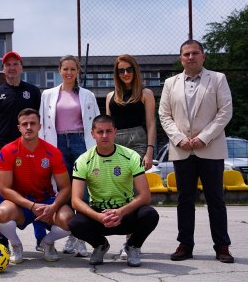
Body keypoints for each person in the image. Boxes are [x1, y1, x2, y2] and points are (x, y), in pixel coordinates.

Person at [158, 39, 234, 263]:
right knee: (184, 199)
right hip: (182, 149)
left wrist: (204, 137)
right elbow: (164, 115)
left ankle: (222, 246)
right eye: (186, 54)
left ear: (203, 56)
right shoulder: (170, 83)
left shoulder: (218, 79)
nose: (190, 57)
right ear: (181, 58)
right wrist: (179, 138)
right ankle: (185, 245)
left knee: (216, 199)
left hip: (210, 148)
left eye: (194, 53)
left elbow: (225, 111)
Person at [69, 115, 159, 267]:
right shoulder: (83, 160)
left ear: (115, 132)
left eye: (108, 131)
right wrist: (98, 216)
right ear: (92, 134)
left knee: (150, 214)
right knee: (75, 223)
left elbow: (145, 196)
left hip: (124, 214)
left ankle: (132, 246)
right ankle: (100, 245)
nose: (105, 135)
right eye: (100, 132)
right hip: (100, 216)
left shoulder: (131, 156)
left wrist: (121, 212)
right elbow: (75, 201)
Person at [0, 108, 74, 263]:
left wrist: (53, 206)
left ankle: (47, 242)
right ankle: (16, 245)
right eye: (25, 124)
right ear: (19, 127)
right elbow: (4, 190)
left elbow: (65, 187)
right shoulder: (8, 150)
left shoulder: (52, 152)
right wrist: (31, 206)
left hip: (46, 203)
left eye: (33, 123)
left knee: (69, 220)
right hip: (21, 205)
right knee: (1, 213)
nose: (29, 127)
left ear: (40, 126)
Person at [39, 55, 99, 258]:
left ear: (78, 71)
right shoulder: (48, 95)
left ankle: (81, 238)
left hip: (80, 141)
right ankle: (68, 232)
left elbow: (96, 123)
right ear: (59, 70)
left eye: (73, 69)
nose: (69, 73)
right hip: (57, 143)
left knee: (82, 190)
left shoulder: (88, 95)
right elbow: (42, 124)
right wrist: (43, 149)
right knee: (62, 188)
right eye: (65, 69)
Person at [0, 52, 41, 250]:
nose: (12, 68)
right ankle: (3, 239)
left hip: (29, 152)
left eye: (15, 64)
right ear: (3, 69)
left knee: (36, 192)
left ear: (21, 67)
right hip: (2, 152)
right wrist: (4, 144)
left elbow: (37, 120)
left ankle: (41, 239)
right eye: (8, 64)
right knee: (4, 195)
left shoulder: (33, 91)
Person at [106, 54, 157, 260]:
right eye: (121, 70)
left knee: (137, 192)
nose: (125, 73)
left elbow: (151, 124)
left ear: (135, 70)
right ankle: (124, 239)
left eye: (129, 69)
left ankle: (132, 243)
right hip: (117, 144)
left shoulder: (146, 93)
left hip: (138, 142)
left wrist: (150, 151)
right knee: (120, 191)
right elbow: (108, 127)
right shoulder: (111, 96)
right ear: (116, 73)